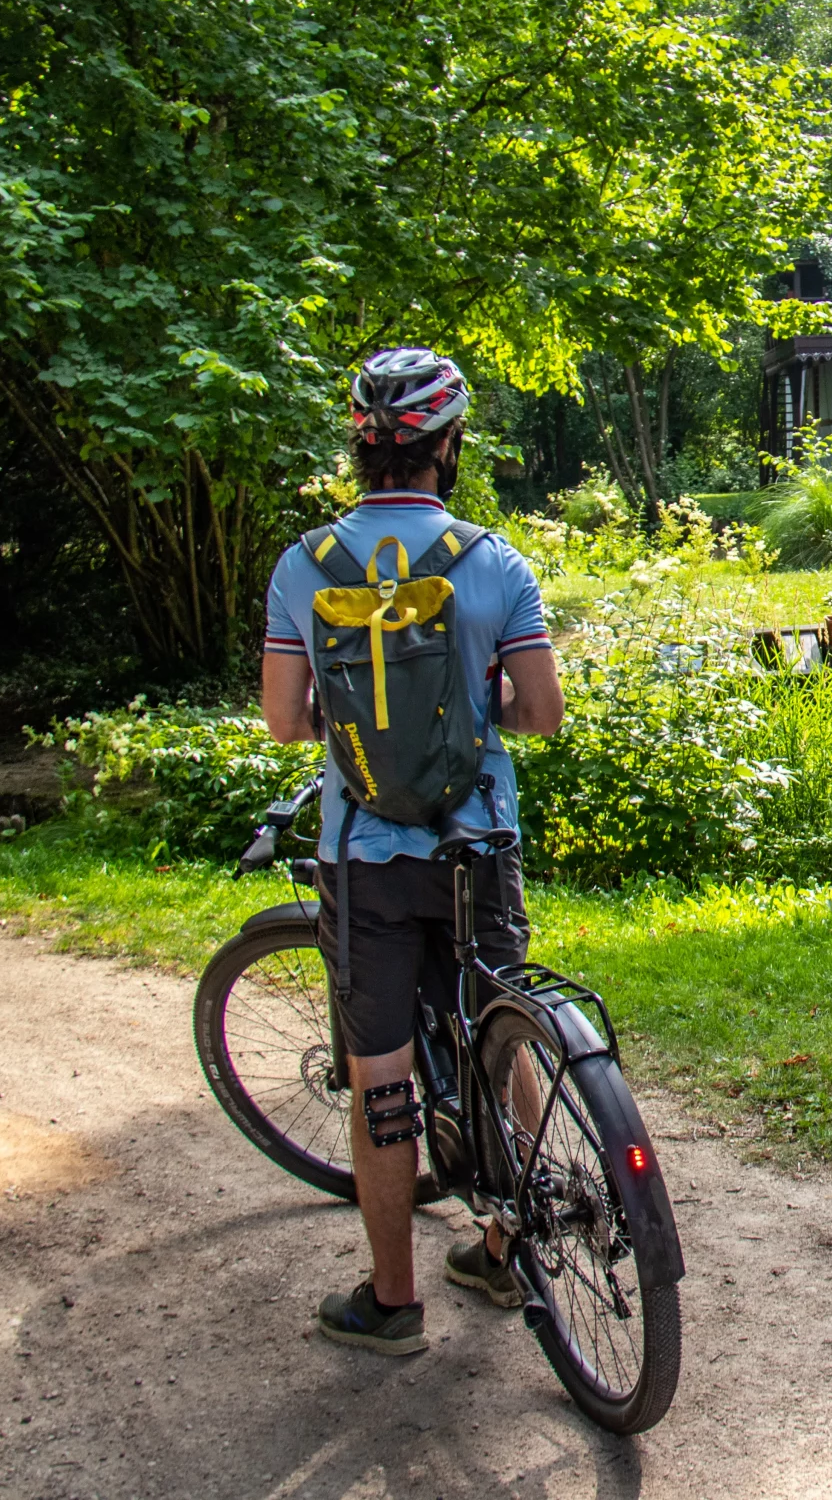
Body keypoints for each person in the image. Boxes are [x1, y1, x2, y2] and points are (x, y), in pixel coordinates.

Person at [259, 348, 566, 1355]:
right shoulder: (493, 563)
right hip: (478, 848)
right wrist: (475, 708)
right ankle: (501, 1242)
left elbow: (284, 723)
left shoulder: (303, 568)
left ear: (360, 446)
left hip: (365, 858)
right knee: (500, 1028)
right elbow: (541, 716)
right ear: (449, 446)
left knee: (381, 1071)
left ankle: (392, 1301)